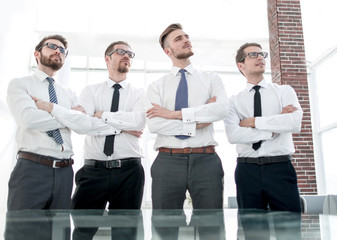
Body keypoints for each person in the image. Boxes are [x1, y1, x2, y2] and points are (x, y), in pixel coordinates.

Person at [33, 41, 146, 240]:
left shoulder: (140, 94)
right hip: (94, 171)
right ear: (107, 58)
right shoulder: (90, 91)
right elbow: (82, 122)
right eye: (120, 52)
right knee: (82, 231)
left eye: (130, 53)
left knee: (126, 234)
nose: (127, 55)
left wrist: (101, 114)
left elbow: (138, 122)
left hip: (130, 171)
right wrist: (124, 125)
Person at [146, 23, 229, 239]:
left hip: (206, 161)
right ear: (168, 51)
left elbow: (221, 109)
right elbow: (155, 125)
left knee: (212, 229)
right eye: (178, 39)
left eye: (186, 36)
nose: (185, 40)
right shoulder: (156, 86)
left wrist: (173, 114)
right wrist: (199, 119)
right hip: (167, 161)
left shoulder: (211, 79)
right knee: (164, 230)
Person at [224, 42, 302, 213]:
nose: (260, 57)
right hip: (247, 170)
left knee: (289, 229)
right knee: (252, 231)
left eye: (262, 54)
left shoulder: (284, 91)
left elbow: (294, 123)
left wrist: (253, 122)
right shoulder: (233, 101)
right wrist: (275, 125)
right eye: (253, 55)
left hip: (280, 167)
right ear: (240, 65)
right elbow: (234, 135)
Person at [6, 34, 81, 211]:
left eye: (62, 50)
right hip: (32, 169)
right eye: (51, 46)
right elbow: (28, 120)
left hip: (65, 171)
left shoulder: (69, 94)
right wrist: (68, 116)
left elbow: (81, 124)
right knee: (22, 231)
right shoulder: (20, 84)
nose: (58, 51)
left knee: (58, 233)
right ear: (37, 54)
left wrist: (58, 114)